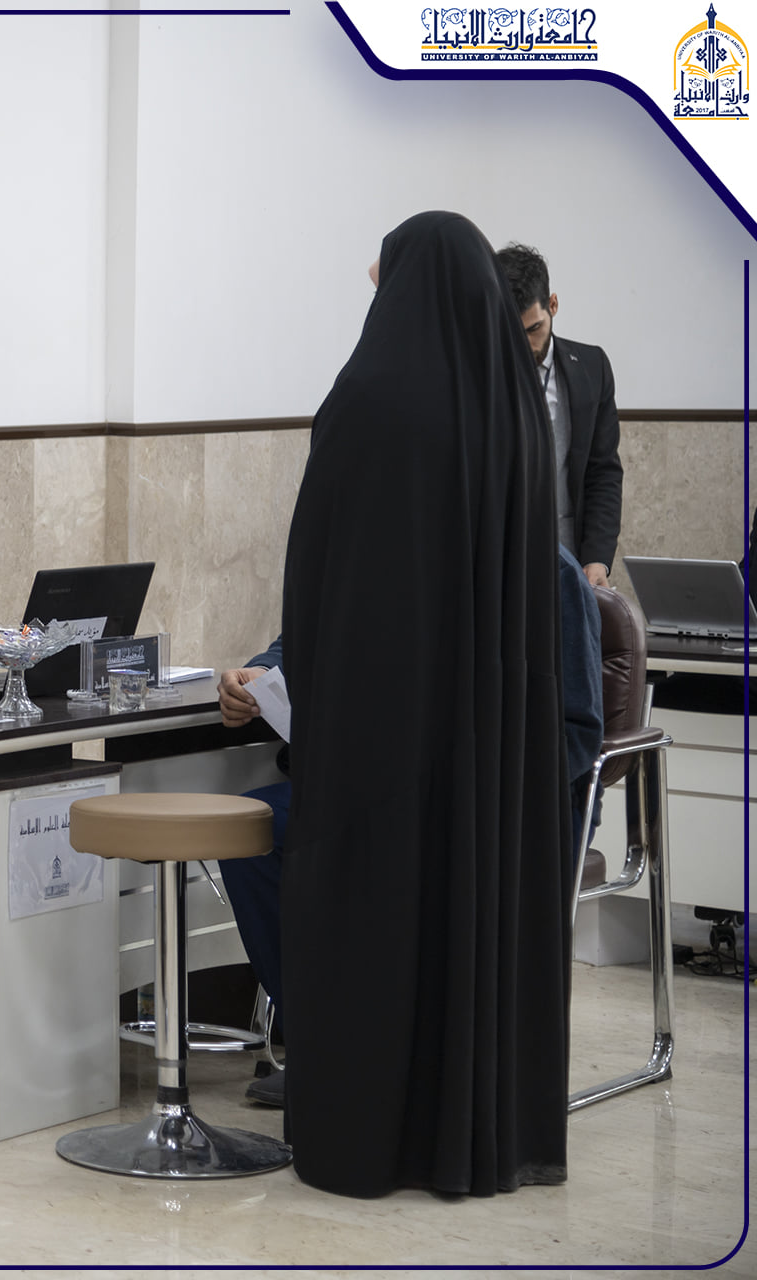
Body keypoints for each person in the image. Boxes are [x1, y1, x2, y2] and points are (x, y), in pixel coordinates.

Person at [279, 212, 570, 1198]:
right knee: (472, 910)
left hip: (383, 721)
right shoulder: (516, 410)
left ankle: (373, 1135)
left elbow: (319, 571)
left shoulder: (369, 401)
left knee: (377, 908)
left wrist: (307, 688)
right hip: (494, 731)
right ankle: (477, 1131)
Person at [214, 541, 603, 1110]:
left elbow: (575, 733)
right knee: (253, 831)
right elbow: (298, 644)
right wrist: (257, 678)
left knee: (408, 849)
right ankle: (328, 1046)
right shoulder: (374, 549)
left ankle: (423, 1059)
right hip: (370, 785)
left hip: (497, 799)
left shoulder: (547, 570)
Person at [495, 243, 622, 589]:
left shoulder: (593, 367)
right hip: (499, 564)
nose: (526, 344)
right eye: (513, 332)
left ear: (553, 304)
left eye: (534, 328)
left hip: (571, 563)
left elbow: (603, 471)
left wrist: (597, 558)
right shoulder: (479, 374)